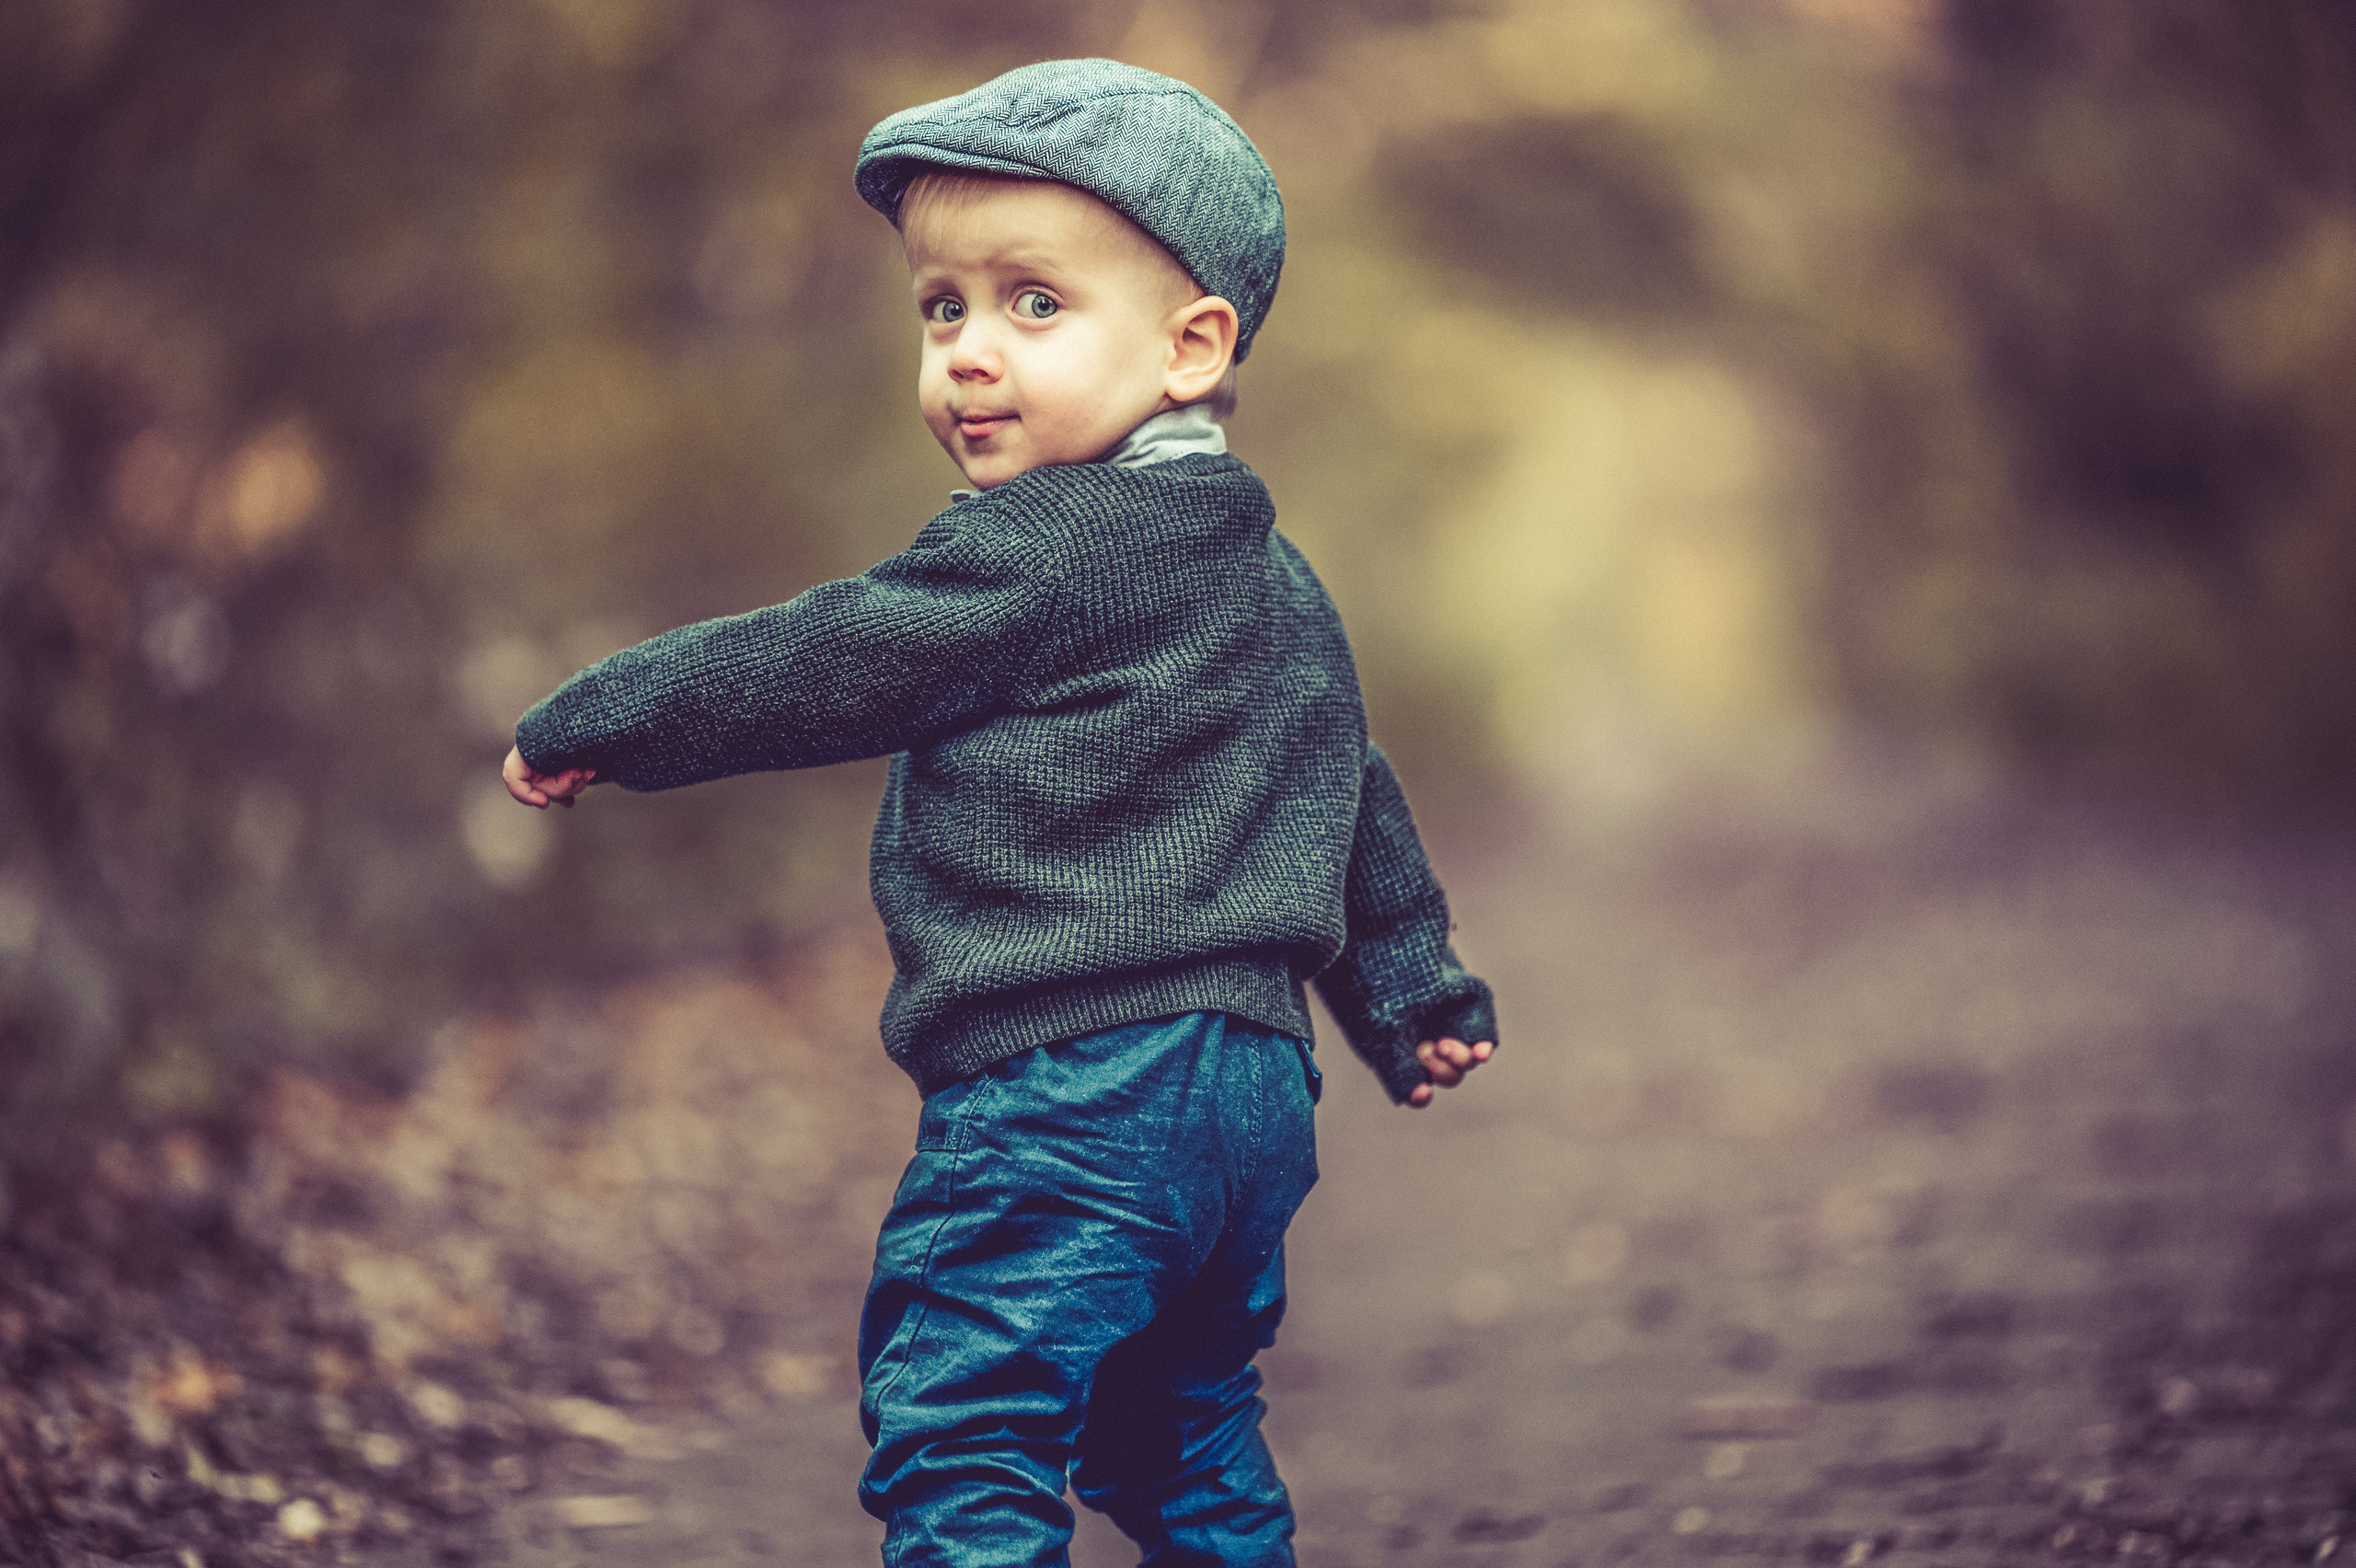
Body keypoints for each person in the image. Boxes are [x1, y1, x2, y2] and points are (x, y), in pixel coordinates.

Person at [501, 57, 1497, 1568]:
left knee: (964, 1422)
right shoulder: (1275, 578)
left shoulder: (1049, 550)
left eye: (1034, 304)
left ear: (1191, 347)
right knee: (1181, 1432)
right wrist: (1408, 990)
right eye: (941, 306)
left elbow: (834, 660)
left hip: (1072, 1089)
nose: (969, 352)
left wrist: (607, 716)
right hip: (1250, 1093)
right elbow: (1344, 782)